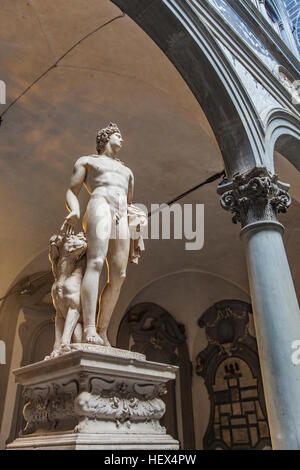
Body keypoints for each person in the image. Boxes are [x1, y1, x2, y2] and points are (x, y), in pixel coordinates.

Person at [61, 123, 134, 346]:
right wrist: (74, 210)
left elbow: (128, 202)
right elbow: (71, 191)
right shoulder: (87, 161)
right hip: (100, 205)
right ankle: (90, 329)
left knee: (119, 275)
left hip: (121, 215)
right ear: (105, 138)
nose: (121, 139)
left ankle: (103, 331)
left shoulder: (128, 172)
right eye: (117, 135)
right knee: (95, 263)